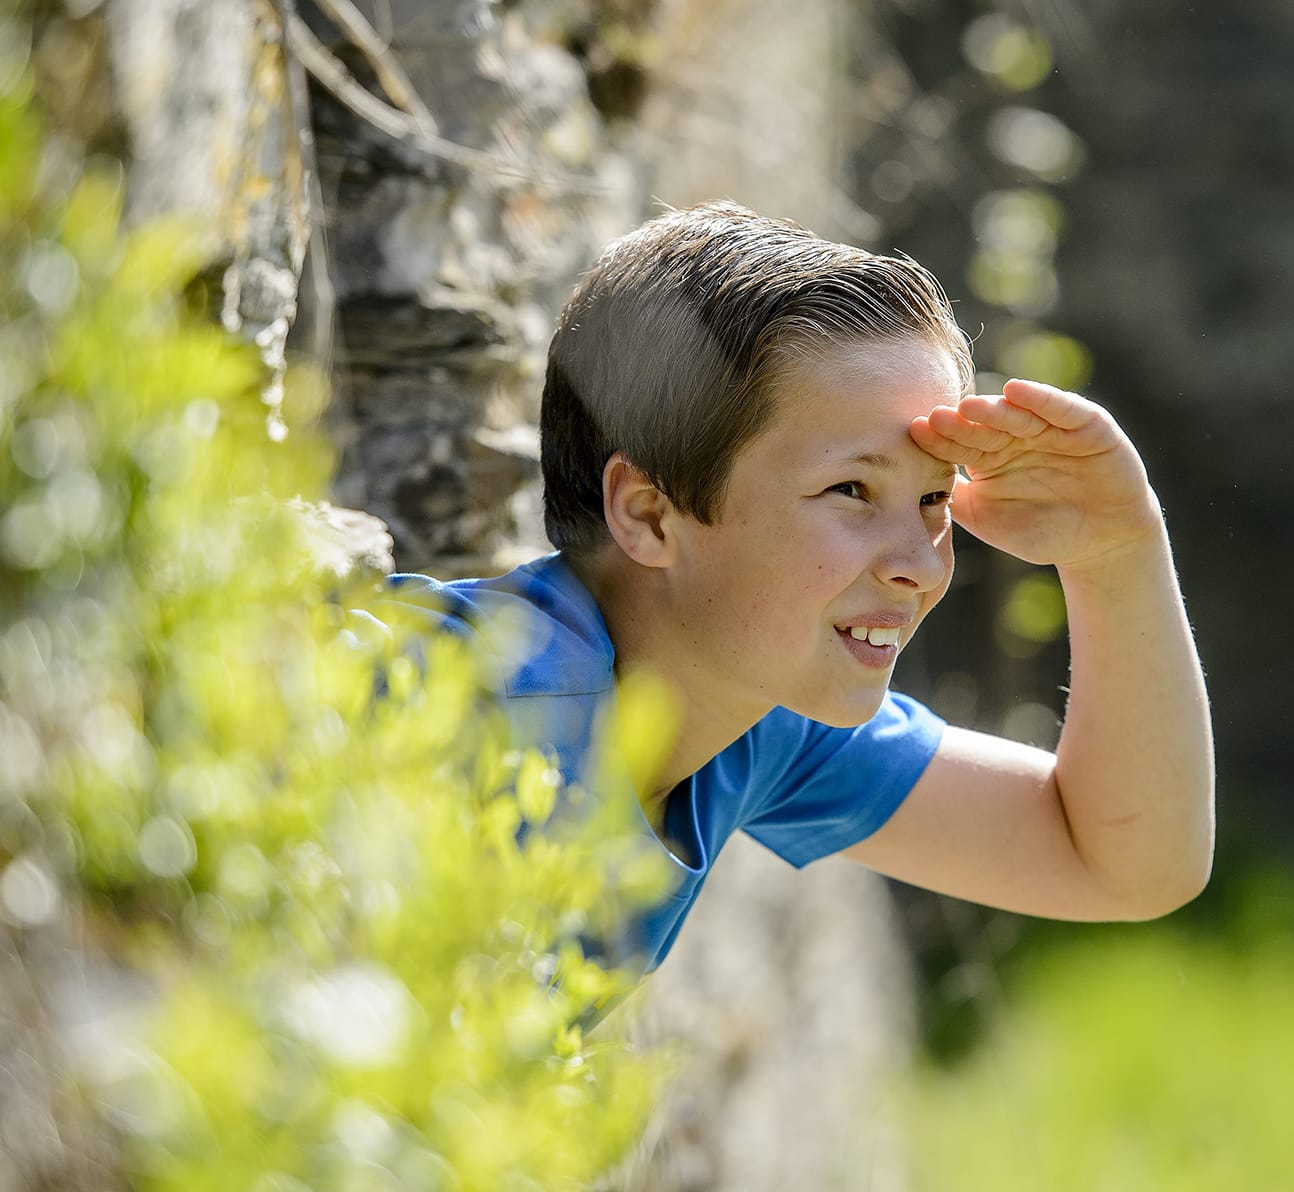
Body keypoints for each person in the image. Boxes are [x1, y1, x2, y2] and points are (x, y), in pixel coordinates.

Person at [373, 201, 1214, 971]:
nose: (921, 565)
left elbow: (1124, 865)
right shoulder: (446, 696)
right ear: (651, 515)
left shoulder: (749, 724)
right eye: (852, 491)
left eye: (933, 498)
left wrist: (1117, 551)